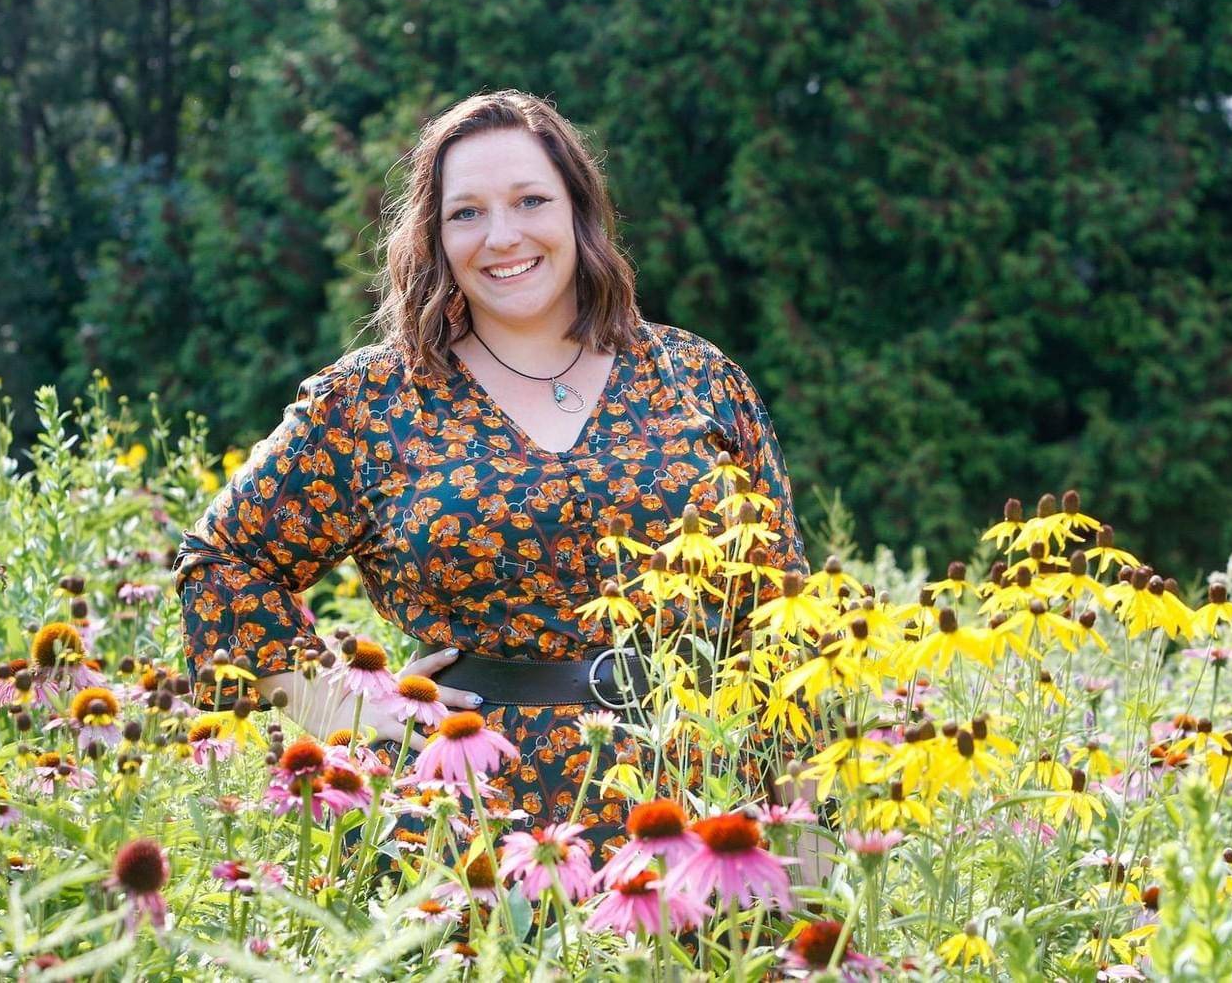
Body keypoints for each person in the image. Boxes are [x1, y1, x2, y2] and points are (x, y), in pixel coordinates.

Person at [174, 89, 807, 840]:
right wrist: (339, 705)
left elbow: (783, 624)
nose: (501, 236)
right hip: (465, 831)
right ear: (434, 237)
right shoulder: (373, 401)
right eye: (465, 212)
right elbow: (220, 561)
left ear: (579, 209)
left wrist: (805, 852)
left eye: (530, 200)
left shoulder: (698, 378)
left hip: (696, 826)